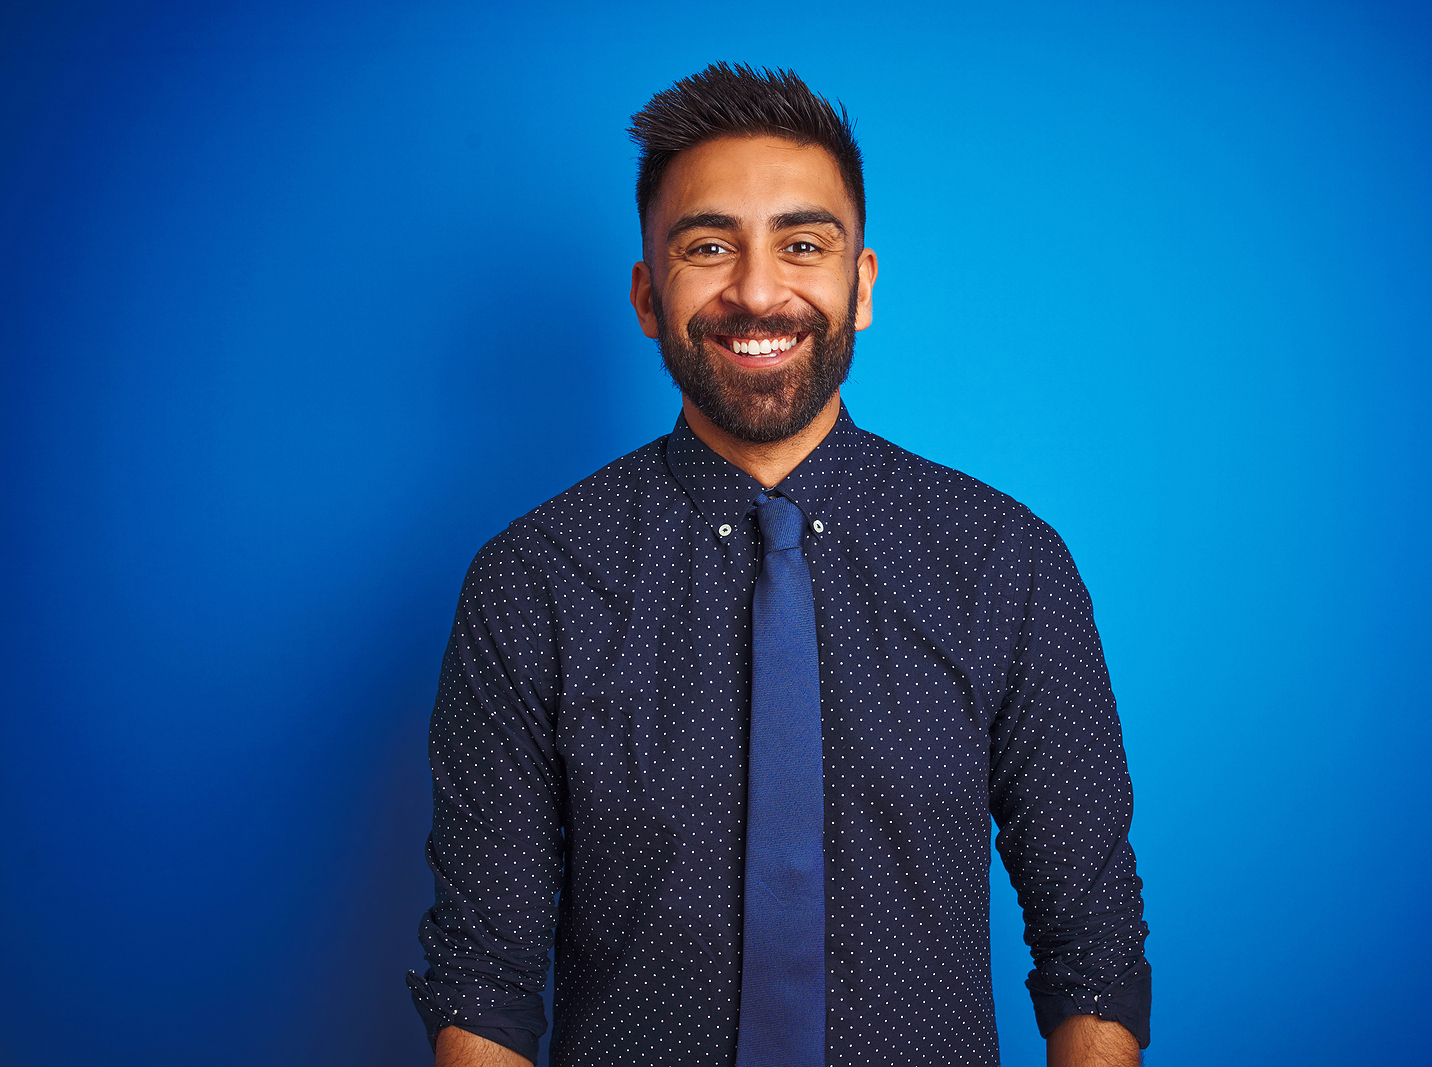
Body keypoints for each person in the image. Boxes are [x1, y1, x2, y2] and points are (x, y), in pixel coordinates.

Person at [408, 63, 1150, 1067]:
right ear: (645, 293)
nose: (758, 290)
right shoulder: (532, 582)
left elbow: (1091, 950)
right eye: (708, 246)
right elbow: (482, 980)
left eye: (803, 244)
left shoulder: (1005, 564)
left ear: (862, 284)